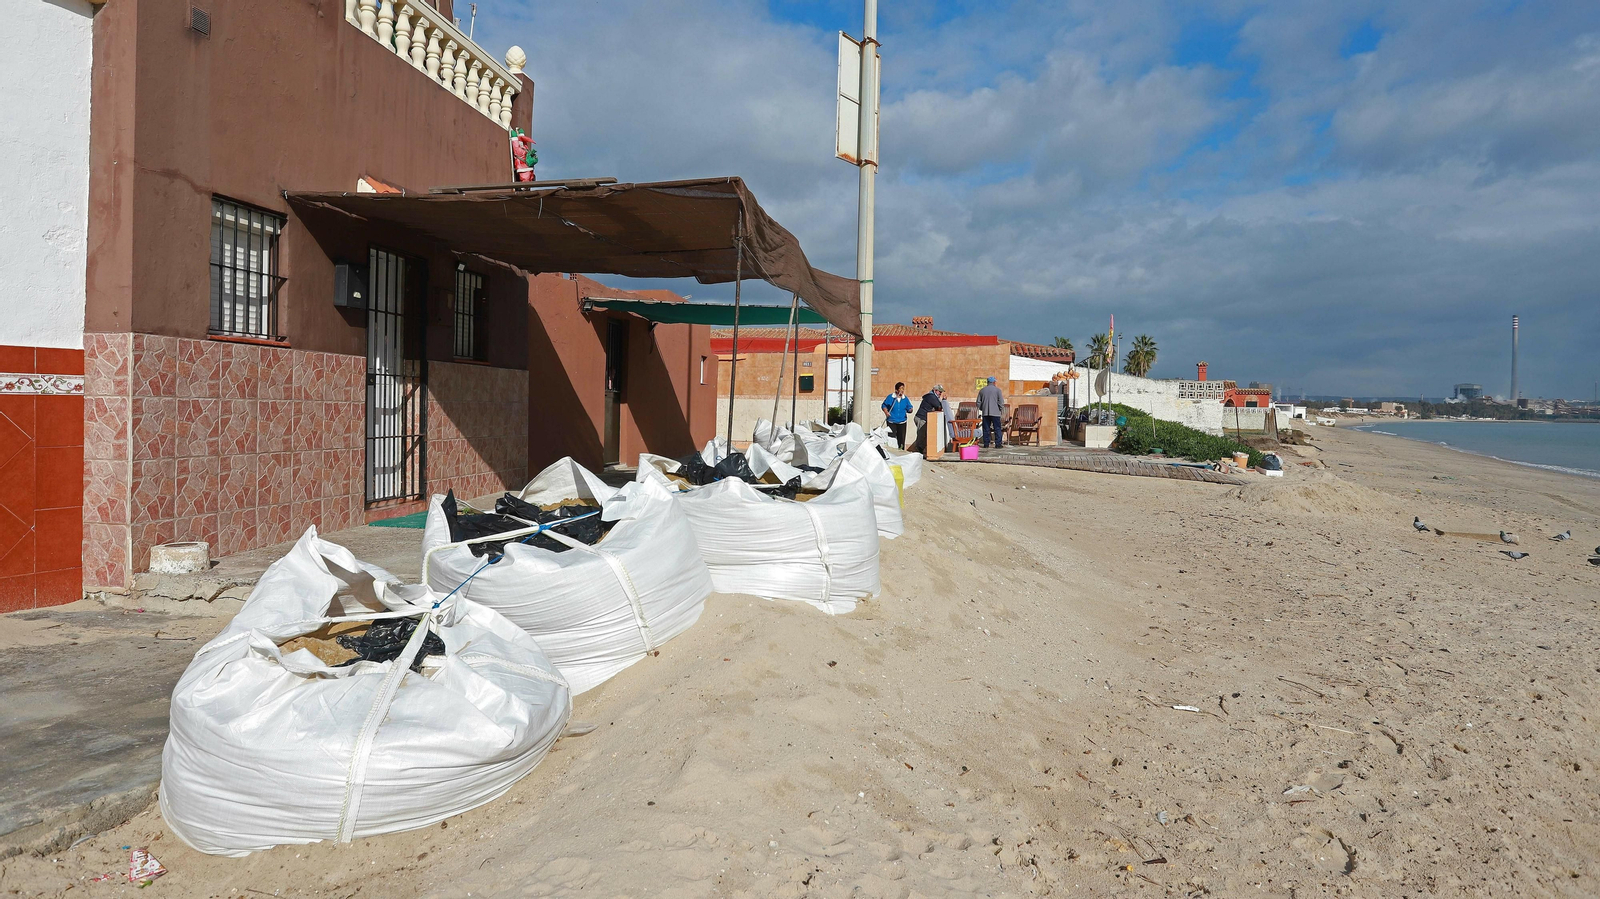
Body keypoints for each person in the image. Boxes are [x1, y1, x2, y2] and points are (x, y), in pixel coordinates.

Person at [911, 384, 946, 453]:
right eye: (939, 392)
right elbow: (939, 406)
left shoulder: (932, 397)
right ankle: (918, 451)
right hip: (922, 418)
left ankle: (920, 450)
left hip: (923, 418)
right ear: (935, 391)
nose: (940, 394)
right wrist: (944, 400)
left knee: (924, 435)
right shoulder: (932, 397)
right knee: (921, 435)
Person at [881, 382, 913, 449]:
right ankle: (892, 450)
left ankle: (901, 450)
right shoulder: (891, 397)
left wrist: (910, 410)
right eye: (900, 389)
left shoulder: (905, 398)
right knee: (891, 438)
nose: (902, 391)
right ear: (896, 390)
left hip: (902, 421)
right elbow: (884, 405)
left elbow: (909, 407)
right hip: (892, 421)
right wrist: (886, 412)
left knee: (901, 438)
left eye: (903, 389)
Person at [977, 376, 1005, 448]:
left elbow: (978, 402)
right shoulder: (998, 390)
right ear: (994, 382)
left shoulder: (982, 390)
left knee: (986, 428)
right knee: (997, 428)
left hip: (985, 413)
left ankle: (986, 444)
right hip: (995, 413)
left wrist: (983, 408)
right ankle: (998, 444)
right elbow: (1001, 402)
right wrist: (999, 409)